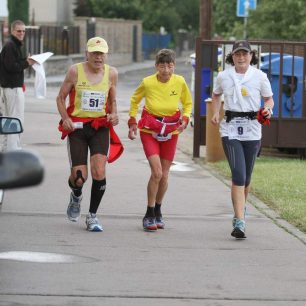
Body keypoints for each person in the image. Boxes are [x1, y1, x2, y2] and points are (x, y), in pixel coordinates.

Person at [56, 36, 123, 232]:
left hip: (99, 127)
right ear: (87, 53)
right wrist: (65, 118)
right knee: (79, 176)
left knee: (99, 171)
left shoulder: (112, 74)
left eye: (101, 53)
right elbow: (60, 98)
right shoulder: (75, 71)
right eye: (94, 53)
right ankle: (76, 195)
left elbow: (112, 102)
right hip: (77, 127)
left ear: (106, 55)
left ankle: (92, 216)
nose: (98, 57)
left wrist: (114, 114)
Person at [211, 40, 274, 239]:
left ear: (251, 56)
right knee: (238, 174)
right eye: (237, 54)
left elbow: (269, 98)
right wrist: (215, 112)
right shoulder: (223, 76)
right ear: (232, 56)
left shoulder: (260, 76)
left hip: (253, 129)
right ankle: (239, 221)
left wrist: (268, 109)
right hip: (230, 129)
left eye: (244, 54)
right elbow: (215, 95)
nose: (241, 57)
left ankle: (241, 212)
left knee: (246, 179)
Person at [128, 49, 192, 231]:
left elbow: (188, 103)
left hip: (171, 131)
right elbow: (134, 100)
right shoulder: (147, 82)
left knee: (164, 174)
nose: (166, 70)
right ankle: (148, 213)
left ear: (174, 66)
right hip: (150, 130)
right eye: (162, 66)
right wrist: (132, 120)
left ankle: (158, 210)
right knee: (156, 172)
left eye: (170, 66)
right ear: (156, 66)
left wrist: (185, 119)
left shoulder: (179, 81)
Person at [0, 20, 36, 150]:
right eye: (19, 31)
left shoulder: (14, 45)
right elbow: (11, 66)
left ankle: (6, 149)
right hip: (12, 88)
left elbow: (14, 63)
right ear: (12, 31)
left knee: (10, 120)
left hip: (12, 87)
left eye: (23, 31)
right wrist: (27, 63)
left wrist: (26, 61)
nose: (22, 33)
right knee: (15, 119)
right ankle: (12, 149)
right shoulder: (10, 45)